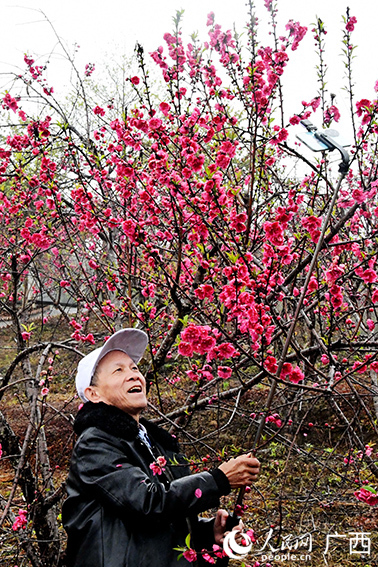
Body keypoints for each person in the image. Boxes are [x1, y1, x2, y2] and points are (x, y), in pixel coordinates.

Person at [62, 328, 260, 567]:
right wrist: (219, 479)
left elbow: (165, 525)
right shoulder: (95, 444)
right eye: (119, 370)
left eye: (134, 368)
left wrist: (209, 535)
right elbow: (148, 503)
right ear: (93, 394)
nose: (134, 375)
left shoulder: (154, 443)